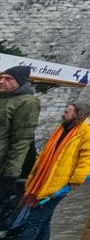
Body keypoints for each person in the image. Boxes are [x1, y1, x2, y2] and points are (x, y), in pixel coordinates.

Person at [16, 102, 90, 240]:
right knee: (43, 220)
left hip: (60, 182)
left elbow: (89, 157)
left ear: (77, 114)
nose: (63, 114)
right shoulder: (63, 128)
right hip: (45, 178)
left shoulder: (89, 130)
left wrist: (76, 179)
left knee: (35, 219)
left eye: (67, 112)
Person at [0, 66, 40, 229]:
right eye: (2, 77)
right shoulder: (3, 98)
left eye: (8, 78)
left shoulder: (27, 102)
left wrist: (11, 175)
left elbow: (21, 141)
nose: (2, 81)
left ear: (20, 82)